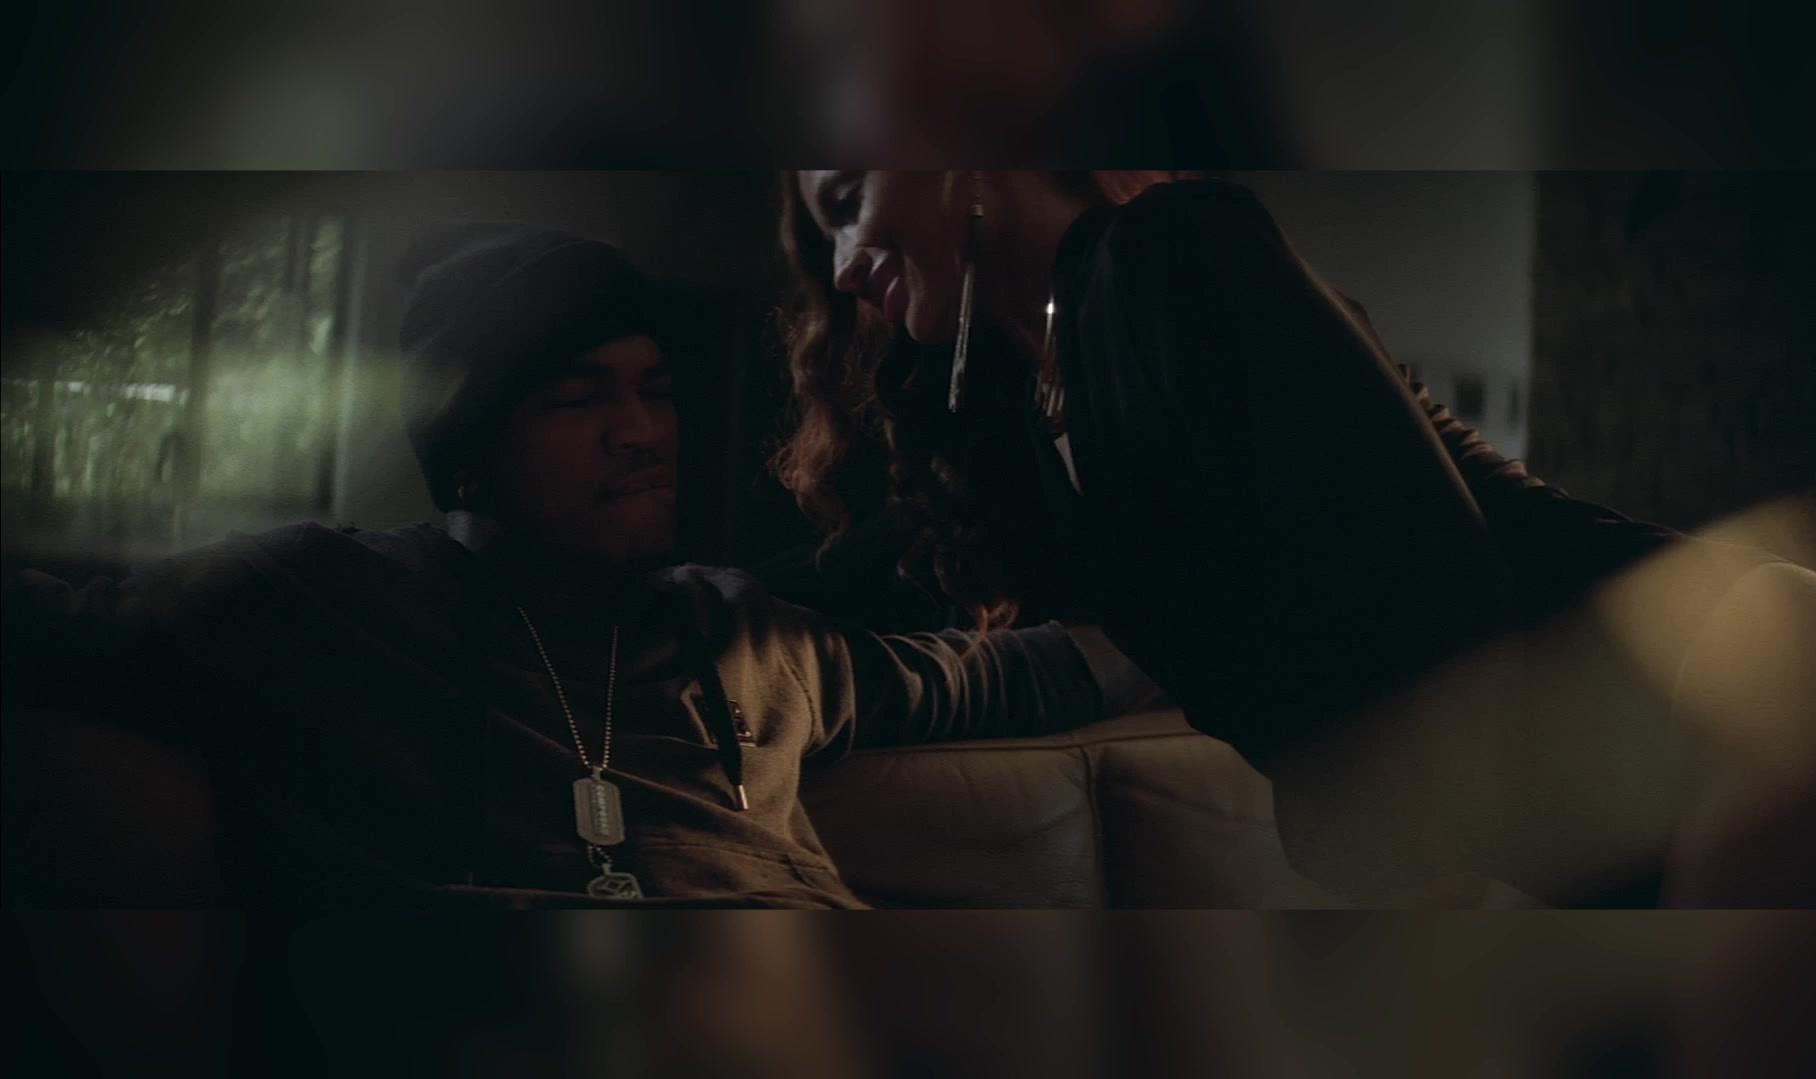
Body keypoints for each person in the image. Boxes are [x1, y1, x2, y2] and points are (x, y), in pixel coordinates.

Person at [772, 170, 1816, 907]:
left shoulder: (1171, 251)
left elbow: (1446, 626)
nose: (844, 265)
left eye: (849, 201)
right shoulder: (1038, 404)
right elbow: (861, 584)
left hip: (1742, 703)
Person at [0, 223, 1143, 909]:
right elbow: (57, 626)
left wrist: (1211, 615)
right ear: (468, 455)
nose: (640, 433)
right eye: (578, 398)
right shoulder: (320, 602)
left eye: (655, 391)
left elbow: (1010, 675)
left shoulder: (744, 633)